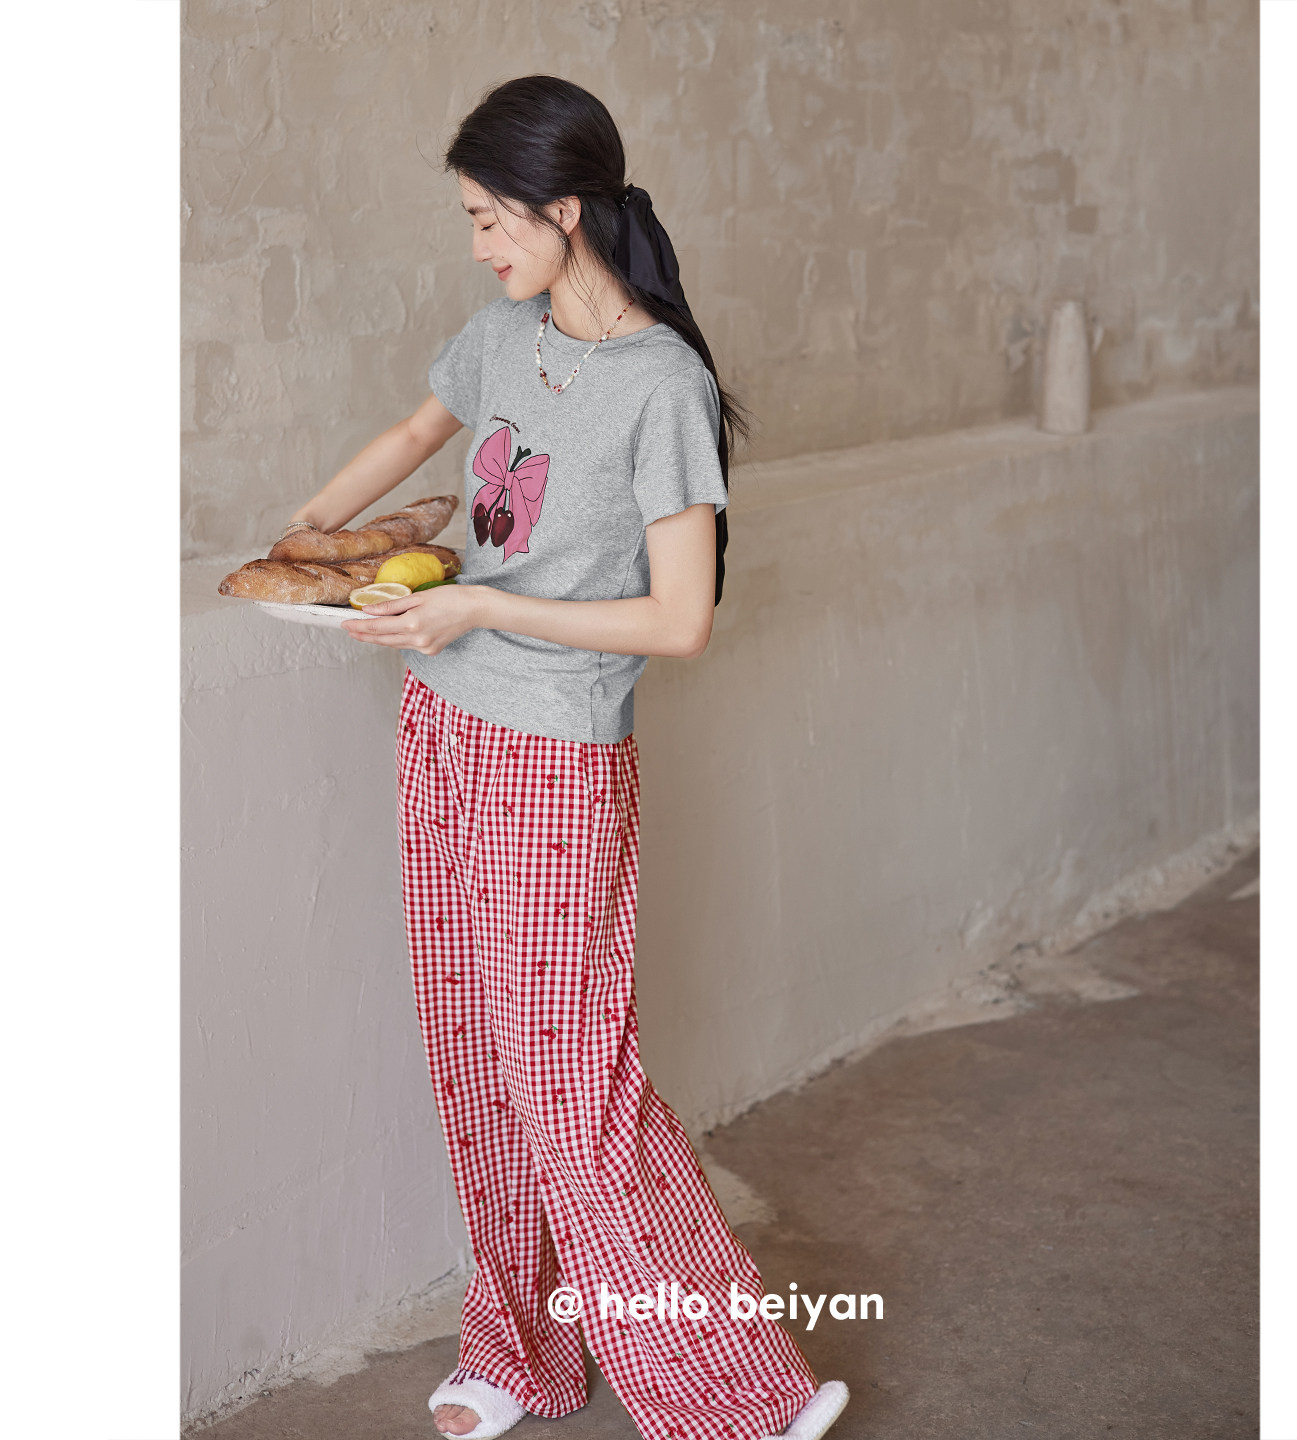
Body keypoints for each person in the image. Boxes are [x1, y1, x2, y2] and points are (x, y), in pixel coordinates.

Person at [282, 76, 850, 1440]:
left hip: (555, 760)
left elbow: (681, 620)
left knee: (571, 1075)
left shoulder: (664, 387)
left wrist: (482, 606)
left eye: (492, 218)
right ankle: (518, 1352)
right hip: (442, 724)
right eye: (470, 220)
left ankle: (744, 1394)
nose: (480, 244)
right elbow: (416, 434)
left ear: (568, 210)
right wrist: (302, 537)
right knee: (474, 1050)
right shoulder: (501, 336)